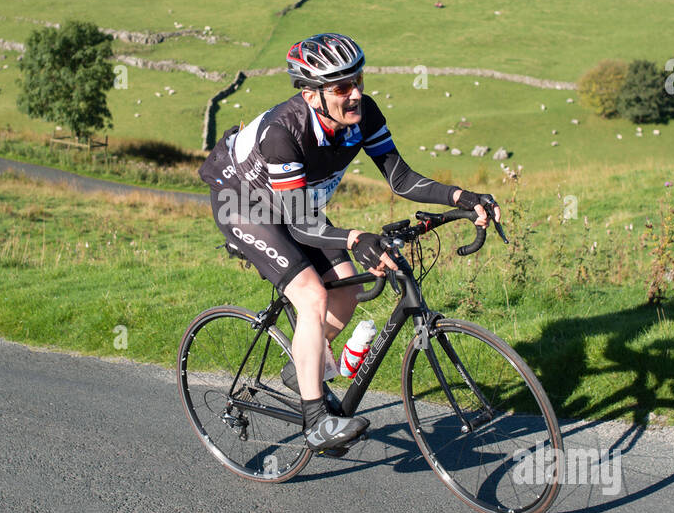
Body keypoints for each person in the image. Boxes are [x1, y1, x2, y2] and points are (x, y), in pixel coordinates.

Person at [199, 32, 500, 452]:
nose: (355, 94)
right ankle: (315, 421)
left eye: (357, 80)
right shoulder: (283, 133)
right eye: (342, 88)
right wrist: (356, 238)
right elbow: (301, 228)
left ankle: (303, 362)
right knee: (312, 296)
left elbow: (401, 178)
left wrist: (460, 197)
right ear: (311, 94)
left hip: (296, 203)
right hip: (245, 205)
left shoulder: (364, 115)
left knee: (350, 292)